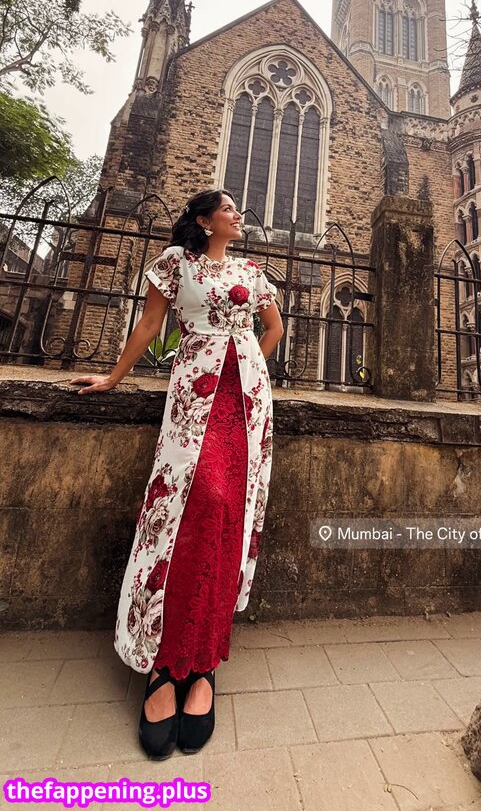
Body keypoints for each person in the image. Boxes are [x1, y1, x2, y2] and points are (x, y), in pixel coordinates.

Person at [69, 190, 284, 760]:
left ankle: (206, 663)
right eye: (227, 208)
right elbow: (149, 325)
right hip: (195, 394)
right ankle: (164, 666)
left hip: (246, 402)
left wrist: (249, 367)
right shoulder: (174, 264)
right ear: (203, 220)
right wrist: (114, 378)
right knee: (188, 509)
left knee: (229, 514)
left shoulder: (252, 270)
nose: (237, 215)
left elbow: (274, 330)